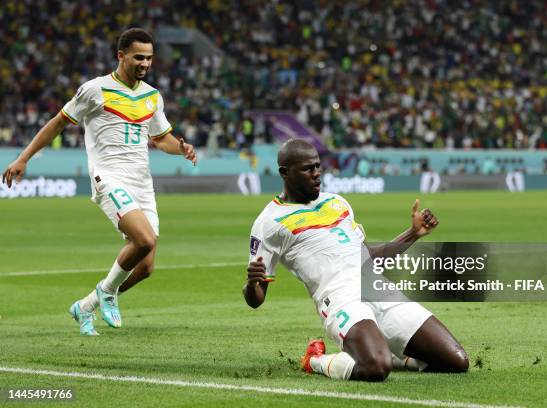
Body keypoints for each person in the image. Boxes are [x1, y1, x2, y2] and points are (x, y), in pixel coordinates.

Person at [1, 28, 197, 336]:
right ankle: (107, 292)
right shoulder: (96, 90)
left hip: (141, 183)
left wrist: (181, 149)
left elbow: (161, 139)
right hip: (109, 177)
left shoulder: (152, 96)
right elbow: (57, 123)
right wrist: (23, 158)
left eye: (149, 58)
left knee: (145, 267)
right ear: (121, 56)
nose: (145, 63)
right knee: (143, 240)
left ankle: (86, 305)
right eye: (138, 57)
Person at [243, 139, 468, 381]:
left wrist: (413, 233)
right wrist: (252, 284)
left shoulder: (337, 202)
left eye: (318, 166)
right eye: (308, 169)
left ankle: (388, 354)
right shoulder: (269, 223)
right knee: (376, 369)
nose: (317, 174)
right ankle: (315, 360)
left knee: (456, 360)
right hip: (341, 300)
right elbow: (256, 299)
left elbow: (369, 256)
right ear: (284, 173)